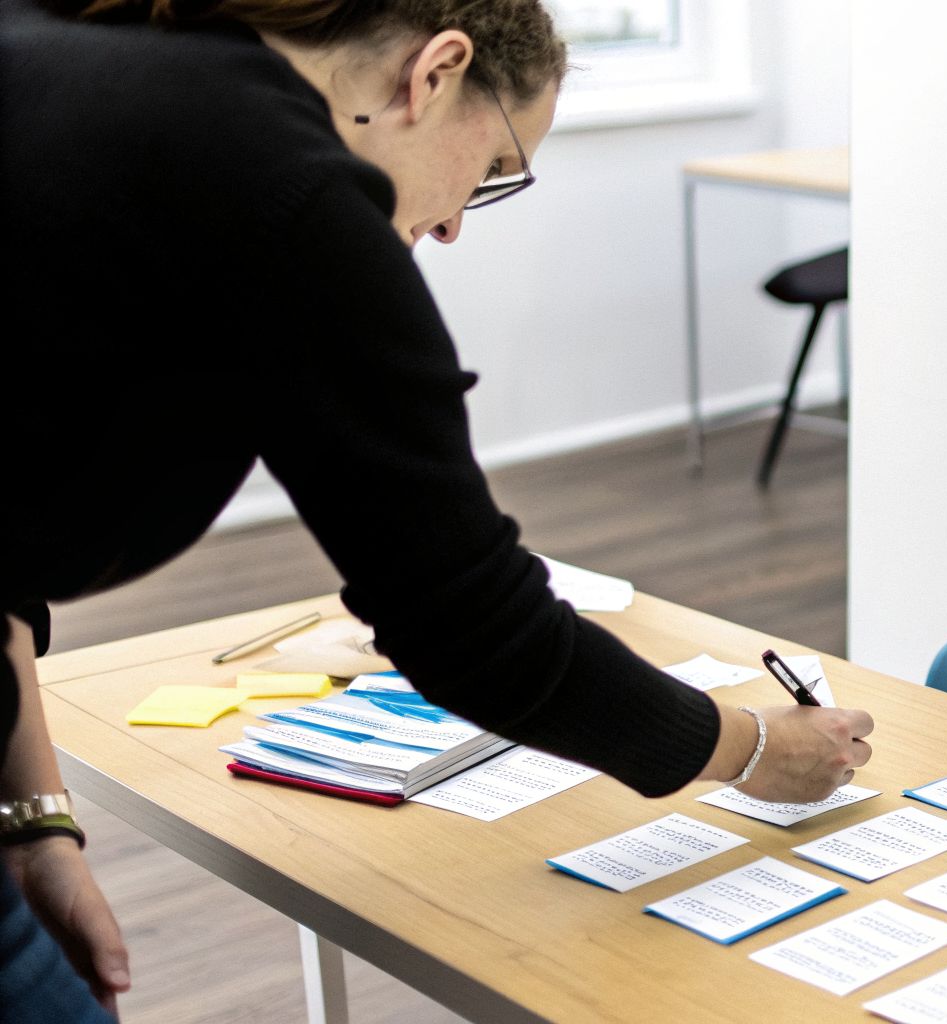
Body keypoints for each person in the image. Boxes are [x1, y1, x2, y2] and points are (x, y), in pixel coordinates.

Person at [0, 0, 876, 1015]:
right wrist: (752, 749)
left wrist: (31, 821)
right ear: (435, 73)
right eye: (498, 167)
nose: (457, 222)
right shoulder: (285, 193)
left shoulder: (67, 64)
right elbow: (470, 622)